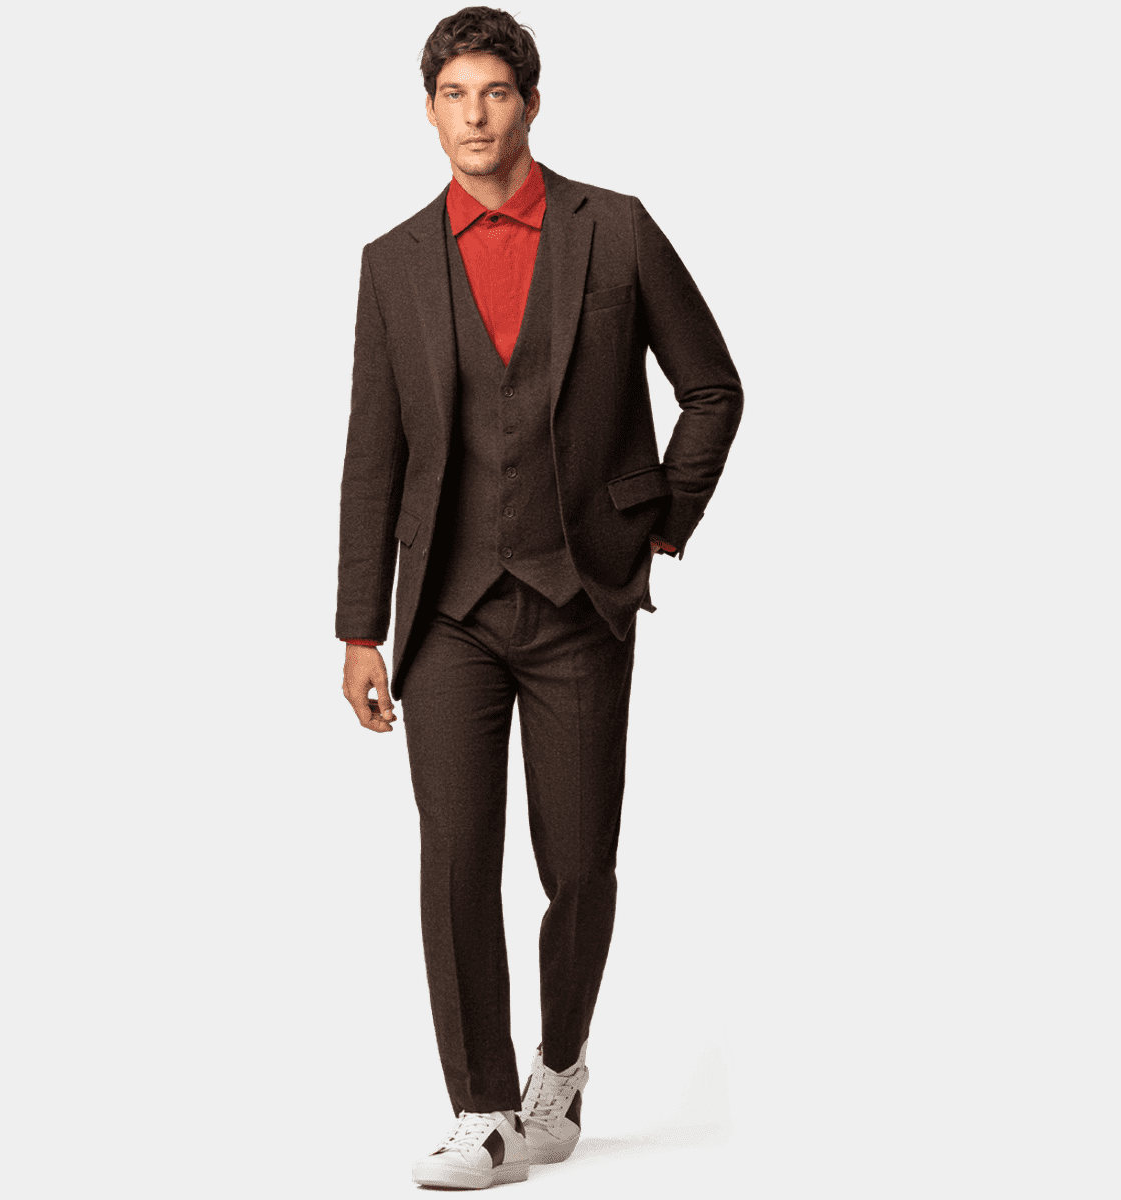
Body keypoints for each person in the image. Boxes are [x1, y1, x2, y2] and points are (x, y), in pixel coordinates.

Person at [336, 6, 743, 1188]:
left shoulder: (613, 230)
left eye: (496, 92)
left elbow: (712, 387)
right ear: (429, 112)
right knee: (455, 859)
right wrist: (359, 626)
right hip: (447, 613)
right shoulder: (392, 262)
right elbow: (372, 453)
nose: (475, 115)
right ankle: (481, 1111)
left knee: (578, 863)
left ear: (531, 103)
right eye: (454, 94)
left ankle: (557, 1068)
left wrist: (658, 519)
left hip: (579, 605)